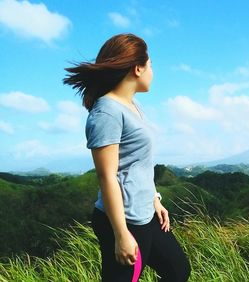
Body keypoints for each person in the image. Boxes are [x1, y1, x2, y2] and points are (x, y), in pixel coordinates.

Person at [63, 33, 191, 282]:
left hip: (146, 214)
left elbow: (137, 164)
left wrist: (155, 199)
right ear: (137, 68)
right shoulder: (107, 112)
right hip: (126, 219)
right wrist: (120, 233)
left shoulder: (130, 106)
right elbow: (107, 176)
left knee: (178, 271)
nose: (153, 71)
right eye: (151, 65)